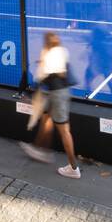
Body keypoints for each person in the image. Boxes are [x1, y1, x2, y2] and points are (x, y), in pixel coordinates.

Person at [20, 32, 82, 178]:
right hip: (62, 92)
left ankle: (73, 168)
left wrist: (30, 96)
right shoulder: (62, 51)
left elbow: (41, 78)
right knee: (46, 119)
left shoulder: (47, 55)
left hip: (56, 95)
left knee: (65, 131)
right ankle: (42, 151)